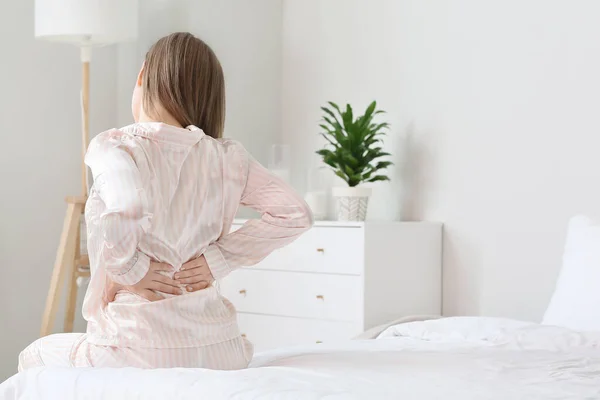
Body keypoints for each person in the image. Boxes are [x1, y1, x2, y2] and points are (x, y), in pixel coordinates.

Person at [18, 32, 313, 370]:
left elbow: (125, 204)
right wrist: (219, 260)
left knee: (34, 355)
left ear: (143, 75)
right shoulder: (229, 157)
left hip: (137, 348)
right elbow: (295, 213)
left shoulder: (116, 147)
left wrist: (132, 268)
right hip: (222, 350)